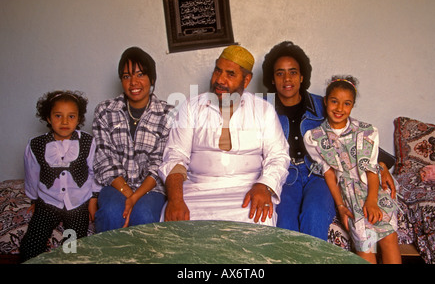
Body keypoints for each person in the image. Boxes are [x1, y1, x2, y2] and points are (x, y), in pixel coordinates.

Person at [262, 41, 397, 241]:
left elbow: (354, 134)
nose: (287, 78)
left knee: (314, 214)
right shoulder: (263, 107)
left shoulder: (323, 103)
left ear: (302, 76)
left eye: (293, 72)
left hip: (320, 174)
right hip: (285, 175)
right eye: (280, 73)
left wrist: (381, 164)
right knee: (285, 224)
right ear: (272, 79)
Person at [159, 45, 290, 226]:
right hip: (196, 192)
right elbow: (175, 155)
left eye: (230, 74)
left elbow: (278, 156)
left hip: (247, 191)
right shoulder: (191, 107)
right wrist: (175, 199)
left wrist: (264, 185)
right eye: (217, 71)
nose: (220, 80)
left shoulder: (263, 110)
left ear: (246, 80)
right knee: (175, 225)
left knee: (261, 220)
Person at [303, 75, 401, 264]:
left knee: (389, 238)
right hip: (350, 195)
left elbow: (371, 168)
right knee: (366, 245)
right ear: (325, 101)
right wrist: (340, 206)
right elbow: (329, 173)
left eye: (346, 103)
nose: (339, 109)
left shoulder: (366, 132)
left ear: (352, 105)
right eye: (334, 101)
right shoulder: (315, 137)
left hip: (373, 190)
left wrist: (372, 200)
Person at [93, 47, 174, 232]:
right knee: (112, 212)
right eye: (126, 76)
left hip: (151, 189)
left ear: (151, 79)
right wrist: (128, 195)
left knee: (144, 214)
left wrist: (135, 198)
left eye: (140, 75)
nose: (133, 82)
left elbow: (159, 163)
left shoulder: (167, 114)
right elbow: (105, 158)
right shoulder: (105, 111)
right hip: (115, 186)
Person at [21, 90, 100, 262]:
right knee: (34, 240)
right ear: (48, 118)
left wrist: (93, 199)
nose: (65, 122)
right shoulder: (36, 144)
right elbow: (32, 174)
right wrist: (34, 200)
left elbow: (95, 172)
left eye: (71, 116)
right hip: (48, 202)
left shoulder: (87, 142)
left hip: (78, 203)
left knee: (73, 243)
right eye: (58, 116)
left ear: (78, 119)